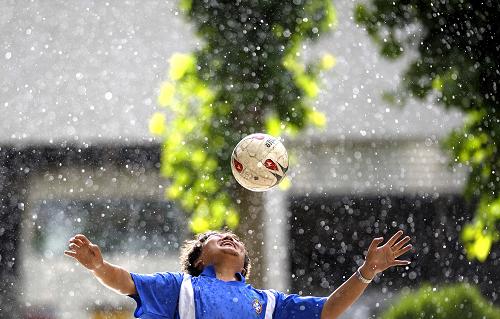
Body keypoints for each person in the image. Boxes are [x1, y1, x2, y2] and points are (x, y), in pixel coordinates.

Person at [64, 229, 412, 319]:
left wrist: (367, 271)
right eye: (216, 237)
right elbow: (126, 282)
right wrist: (98, 266)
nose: (229, 237)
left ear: (245, 264)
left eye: (237, 241)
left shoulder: (268, 304)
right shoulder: (180, 289)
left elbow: (329, 310)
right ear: (199, 259)